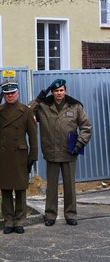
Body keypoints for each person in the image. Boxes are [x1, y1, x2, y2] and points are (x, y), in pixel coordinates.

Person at [29, 78, 92, 227]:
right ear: (52, 92)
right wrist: (38, 99)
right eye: (56, 91)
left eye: (61, 90)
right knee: (51, 186)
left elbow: (86, 127)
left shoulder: (75, 106)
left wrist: (80, 143)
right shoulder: (44, 106)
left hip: (70, 151)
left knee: (69, 185)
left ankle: (71, 214)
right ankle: (50, 215)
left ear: (65, 91)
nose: (59, 93)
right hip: (51, 151)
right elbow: (27, 111)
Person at [0, 81, 37, 234]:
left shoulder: (26, 111)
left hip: (20, 154)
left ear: (18, 94)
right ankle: (8, 221)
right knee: (6, 189)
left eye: (12, 93)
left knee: (20, 190)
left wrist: (32, 156)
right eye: (7, 94)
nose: (10, 96)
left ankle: (20, 221)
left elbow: (33, 135)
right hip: (4, 153)